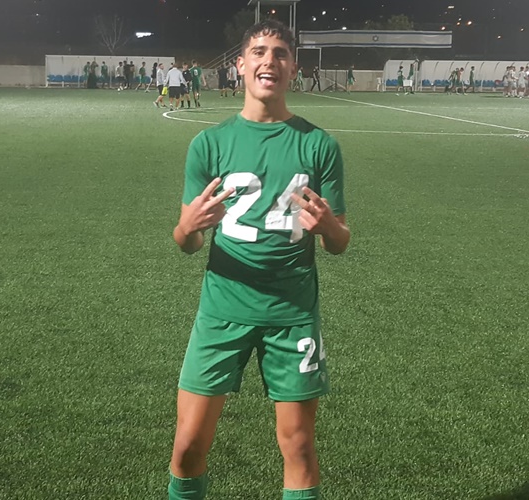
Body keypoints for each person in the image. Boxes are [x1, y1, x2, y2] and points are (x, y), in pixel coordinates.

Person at [168, 19, 350, 500]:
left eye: (281, 53)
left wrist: (329, 227)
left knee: (299, 446)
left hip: (292, 314)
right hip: (221, 310)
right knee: (187, 446)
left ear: (294, 68)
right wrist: (189, 226)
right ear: (241, 65)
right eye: (259, 52)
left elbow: (338, 242)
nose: (270, 61)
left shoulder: (319, 145)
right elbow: (186, 241)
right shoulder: (208, 144)